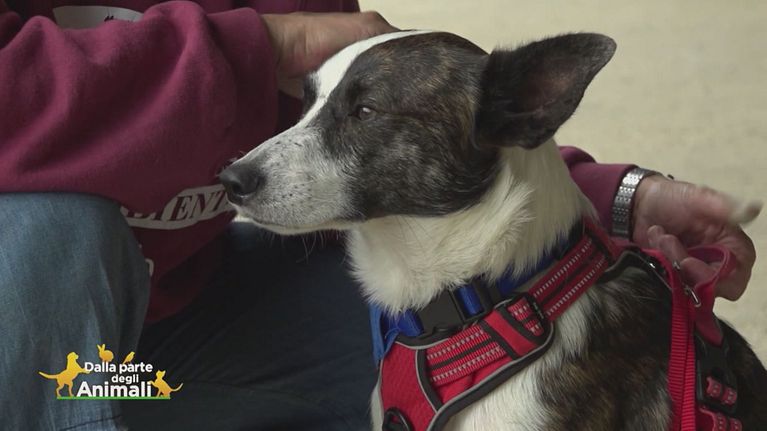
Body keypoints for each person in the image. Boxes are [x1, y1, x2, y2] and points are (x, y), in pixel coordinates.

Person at [0, 1, 756, 430]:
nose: (249, 166)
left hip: (139, 372)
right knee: (52, 225)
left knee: (455, 340)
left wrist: (616, 196)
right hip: (46, 364)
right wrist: (263, 46)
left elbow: (435, 136)